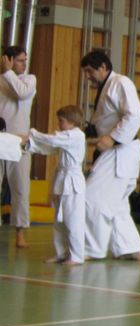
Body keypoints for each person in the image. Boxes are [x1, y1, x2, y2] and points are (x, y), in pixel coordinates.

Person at [81, 50, 140, 261]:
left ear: (103, 67)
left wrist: (113, 138)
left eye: (90, 71)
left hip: (121, 151)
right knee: (117, 204)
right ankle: (130, 248)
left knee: (91, 198)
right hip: (117, 151)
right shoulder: (107, 87)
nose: (88, 77)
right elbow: (106, 119)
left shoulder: (121, 82)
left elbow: (135, 115)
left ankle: (93, 249)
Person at [25, 105, 86, 265]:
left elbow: (52, 139)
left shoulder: (76, 135)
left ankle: (77, 256)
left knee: (73, 220)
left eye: (61, 121)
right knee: (59, 221)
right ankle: (62, 253)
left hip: (73, 183)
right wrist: (29, 145)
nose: (59, 124)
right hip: (62, 179)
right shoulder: (66, 137)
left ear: (72, 121)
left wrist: (33, 133)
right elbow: (50, 148)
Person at [0, 45, 36, 248]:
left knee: (21, 189)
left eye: (25, 60)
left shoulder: (29, 80)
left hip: (20, 141)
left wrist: (8, 73)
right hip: (1, 138)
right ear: (9, 60)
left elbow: (21, 94)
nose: (24, 64)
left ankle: (20, 233)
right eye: (20, 60)